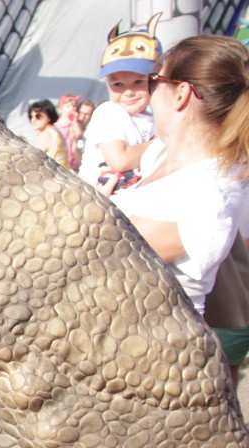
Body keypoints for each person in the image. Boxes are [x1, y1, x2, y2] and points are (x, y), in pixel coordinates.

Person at [104, 35, 249, 322]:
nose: (147, 90)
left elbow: (105, 256)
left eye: (153, 79)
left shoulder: (208, 193)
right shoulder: (158, 153)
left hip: (150, 349)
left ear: (181, 93)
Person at [78, 15, 162, 188]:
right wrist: (165, 144)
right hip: (96, 202)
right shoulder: (109, 112)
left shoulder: (153, 118)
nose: (128, 92)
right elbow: (119, 160)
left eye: (138, 82)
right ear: (107, 84)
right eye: (118, 84)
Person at [28, 99, 70, 167]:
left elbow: (33, 161)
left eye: (38, 116)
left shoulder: (45, 135)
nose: (33, 120)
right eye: (31, 116)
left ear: (49, 116)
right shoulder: (57, 132)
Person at [54, 94, 84, 170]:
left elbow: (78, 135)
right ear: (60, 109)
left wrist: (74, 121)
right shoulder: (57, 125)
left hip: (72, 159)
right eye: (68, 106)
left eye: (74, 107)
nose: (71, 109)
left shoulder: (75, 123)